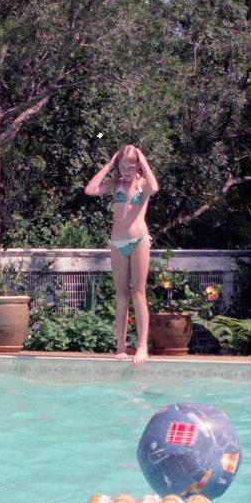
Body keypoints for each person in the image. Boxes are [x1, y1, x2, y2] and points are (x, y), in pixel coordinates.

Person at [84, 144, 160, 365]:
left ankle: (142, 346)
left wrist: (143, 160)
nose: (125, 171)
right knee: (121, 294)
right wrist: (109, 164)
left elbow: (154, 188)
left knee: (138, 292)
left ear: (137, 166)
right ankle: (120, 346)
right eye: (122, 166)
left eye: (130, 166)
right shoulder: (114, 184)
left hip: (139, 241)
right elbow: (90, 190)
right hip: (117, 243)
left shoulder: (143, 185)